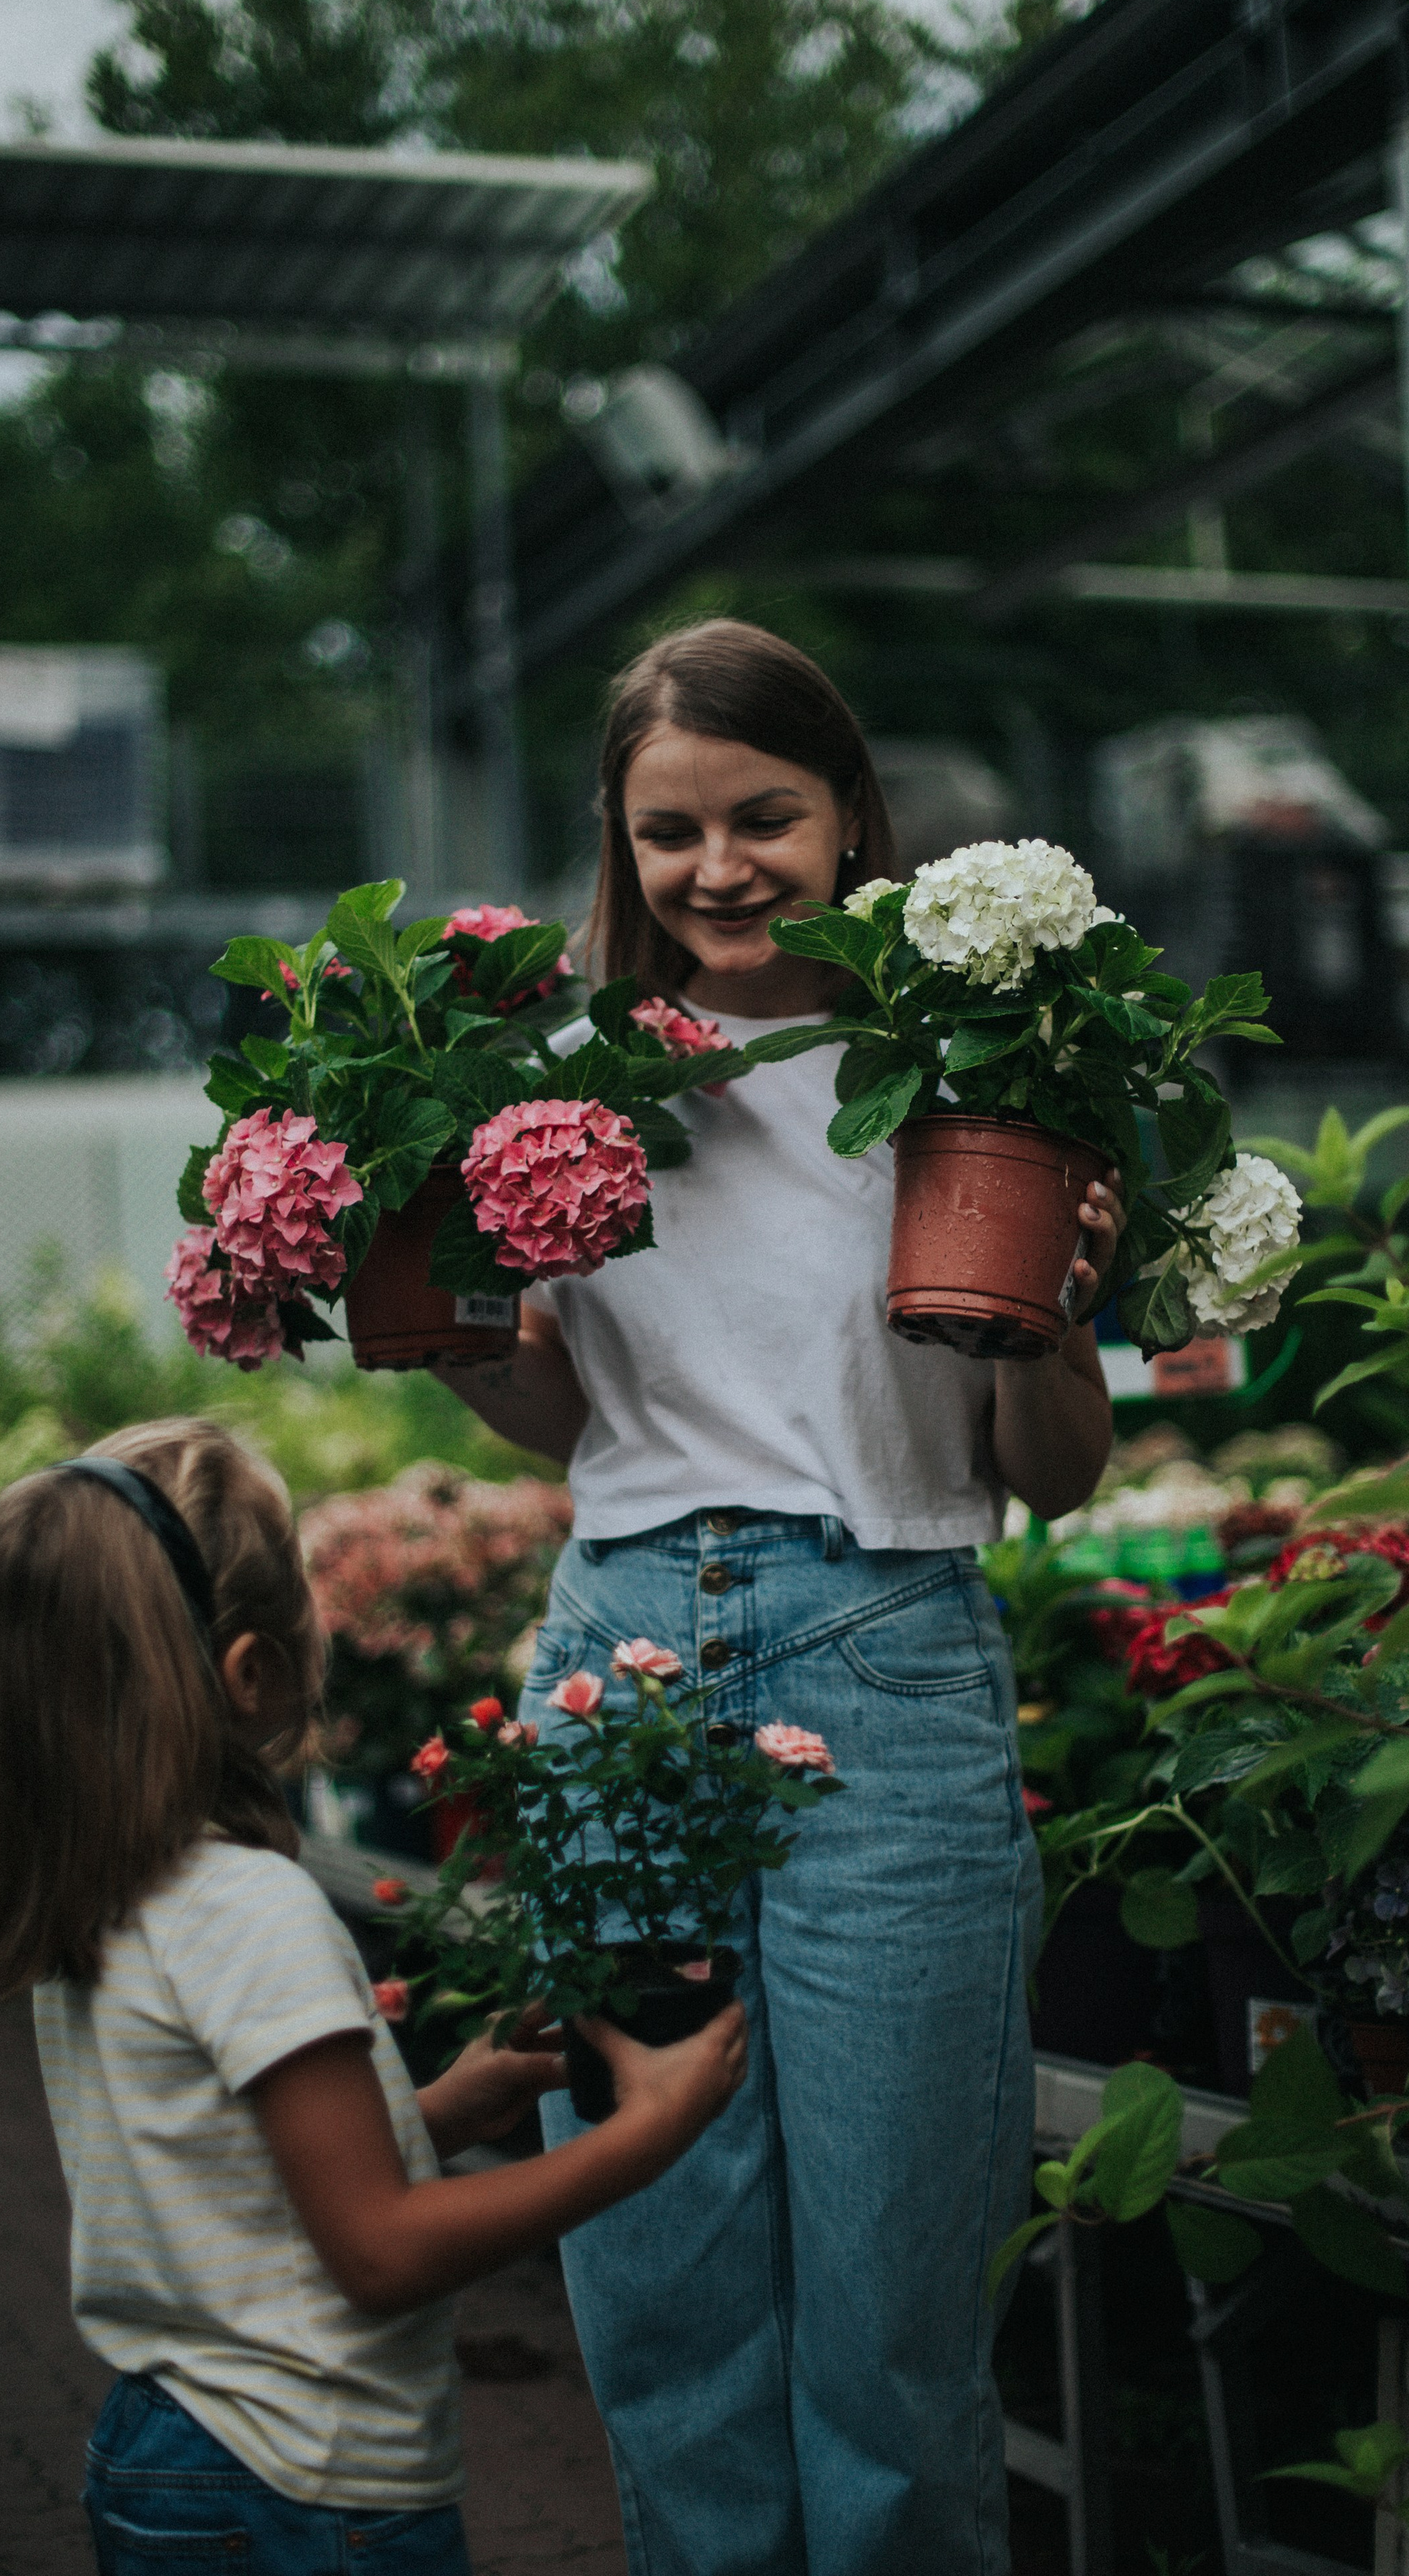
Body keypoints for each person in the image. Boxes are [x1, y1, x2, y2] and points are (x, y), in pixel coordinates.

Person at [435, 620, 1126, 2576]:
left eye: (764, 817)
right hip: (624, 1663)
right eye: (670, 832)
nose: (718, 867)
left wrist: (1060, 1313)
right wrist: (444, 1314)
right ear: (618, 845)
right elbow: (559, 1416)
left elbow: (1052, 1470)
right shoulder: (558, 1080)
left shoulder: (964, 1064)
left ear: (848, 820)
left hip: (888, 1655)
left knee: (901, 2322)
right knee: (662, 2305)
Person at [0, 1415, 747, 2574]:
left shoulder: (102, 1898)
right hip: (302, 2489)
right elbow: (381, 2251)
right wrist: (649, 2138)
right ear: (251, 1671)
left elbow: (240, 2187)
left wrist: (443, 2111)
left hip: (171, 2451)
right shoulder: (251, 1913)